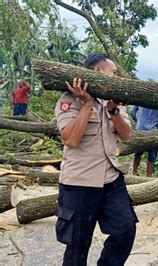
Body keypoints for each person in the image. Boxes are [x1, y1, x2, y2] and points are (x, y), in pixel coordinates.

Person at [54, 53, 138, 265]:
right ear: (98, 71)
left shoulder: (113, 102)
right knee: (77, 246)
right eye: (114, 72)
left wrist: (113, 110)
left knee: (125, 231)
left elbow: (127, 135)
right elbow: (71, 140)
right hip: (79, 183)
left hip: (111, 180)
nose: (117, 77)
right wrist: (86, 105)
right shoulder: (68, 100)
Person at [130, 106, 158, 176]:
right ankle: (148, 176)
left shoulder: (141, 97)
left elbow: (132, 112)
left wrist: (139, 122)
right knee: (152, 155)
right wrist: (157, 129)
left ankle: (134, 172)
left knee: (138, 152)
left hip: (140, 130)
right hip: (153, 132)